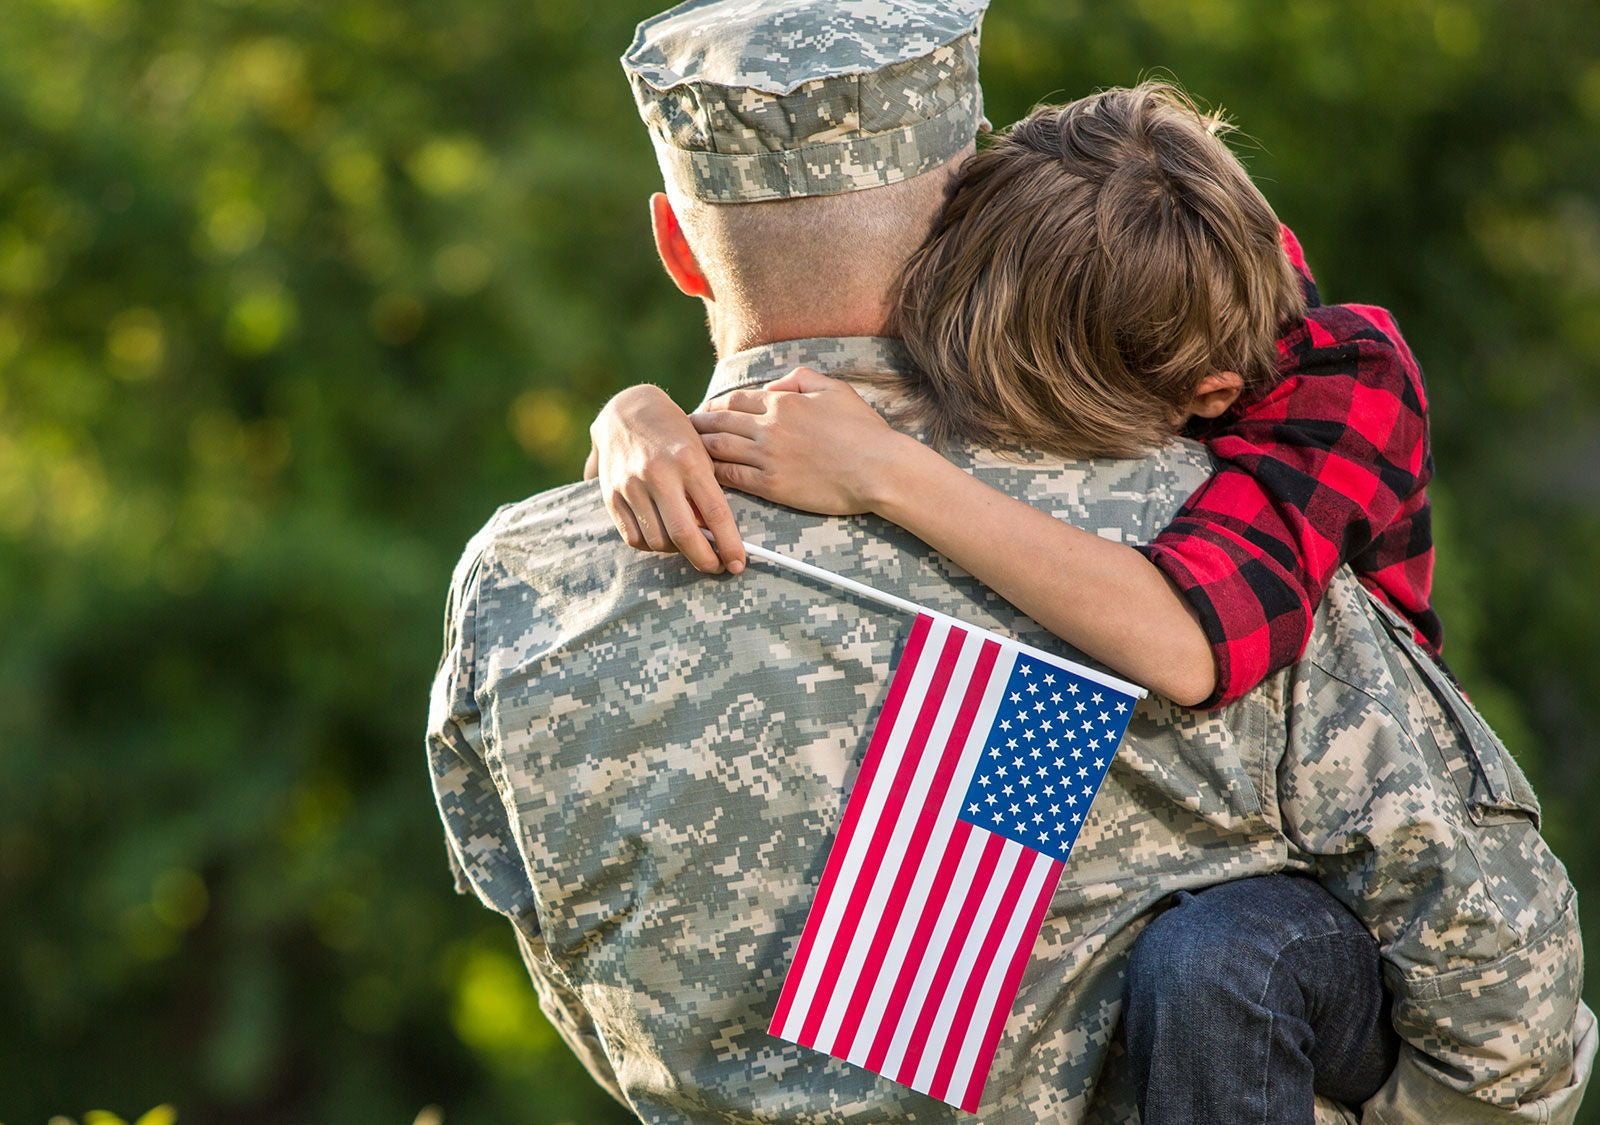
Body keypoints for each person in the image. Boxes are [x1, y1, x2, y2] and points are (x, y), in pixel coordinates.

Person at [426, 1, 1593, 1120]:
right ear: (970, 213)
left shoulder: (520, 590)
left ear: (675, 245)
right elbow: (1507, 1010)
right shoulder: (1168, 510)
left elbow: (573, 979)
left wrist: (645, 417)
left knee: (1221, 960)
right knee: (1222, 955)